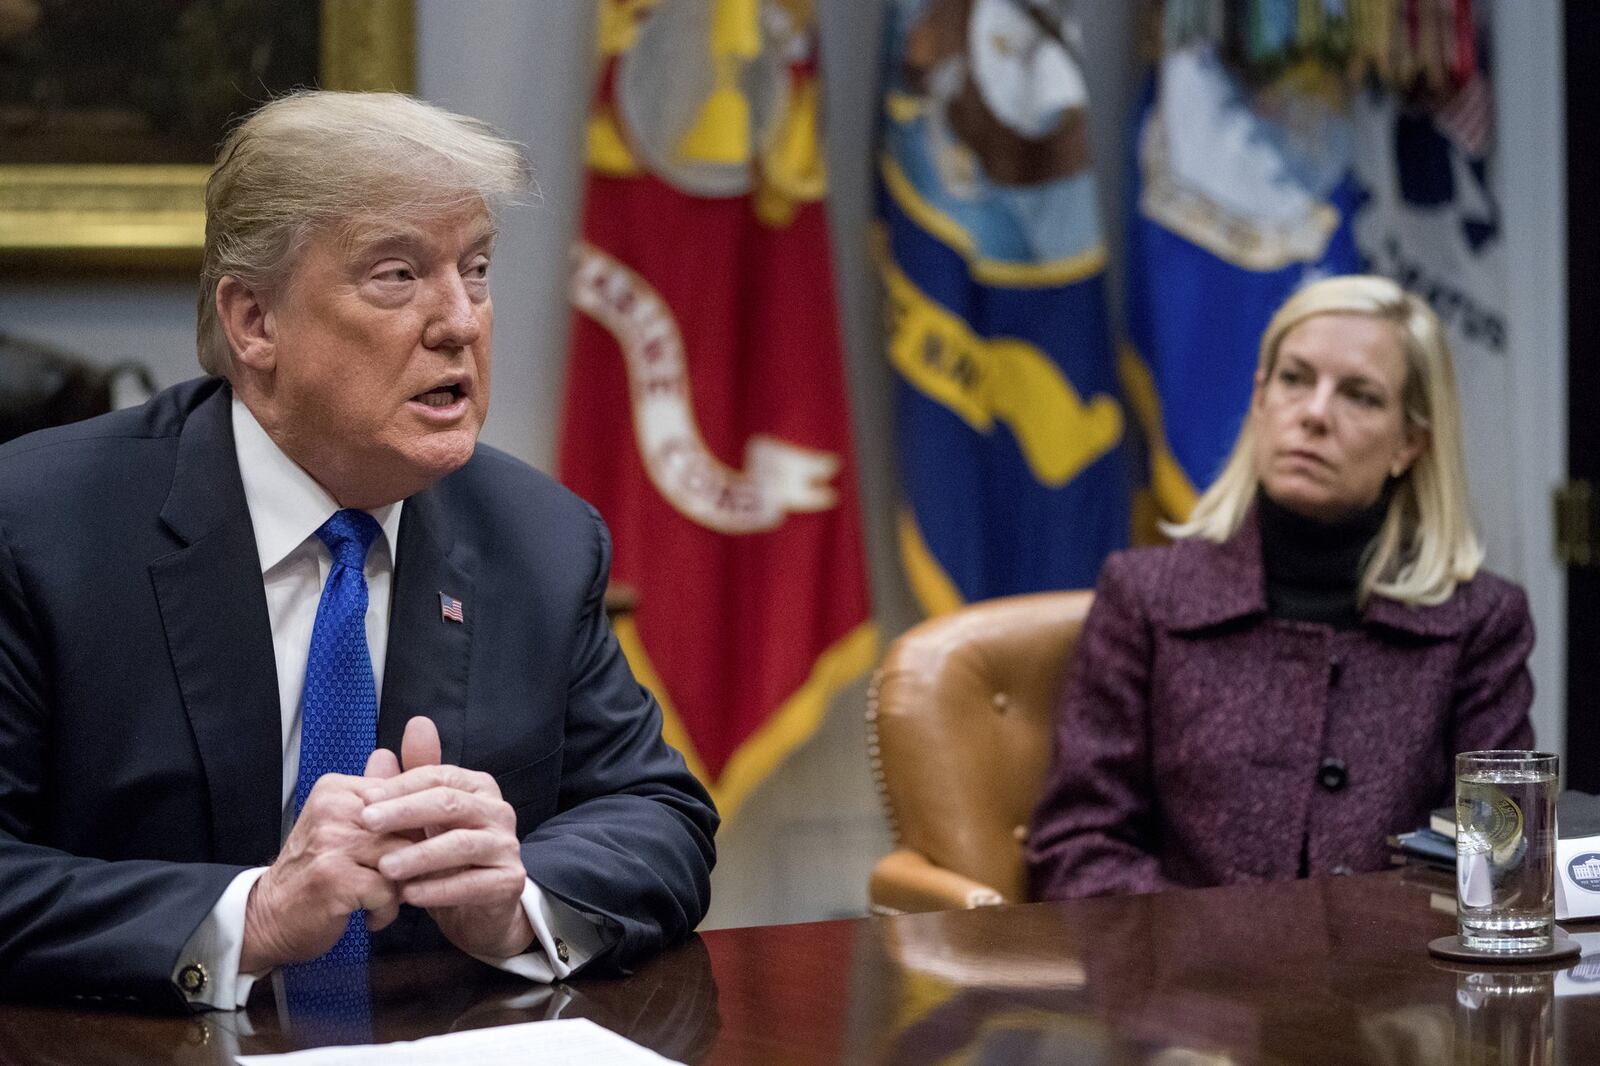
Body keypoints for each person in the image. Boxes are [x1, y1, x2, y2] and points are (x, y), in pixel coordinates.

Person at [0, 91, 717, 1011]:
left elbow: (660, 816)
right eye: (397, 275)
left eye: (478, 270)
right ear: (256, 322)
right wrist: (247, 917)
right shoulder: (40, 529)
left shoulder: (538, 537)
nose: (459, 321)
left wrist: (514, 900)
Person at [1026, 275, 1533, 899]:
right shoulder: (1144, 595)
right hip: (1185, 985)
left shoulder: (1481, 620)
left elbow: (1493, 864)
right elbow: (1076, 850)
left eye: (1360, 396)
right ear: (1261, 400)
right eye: (1295, 379)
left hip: (1400, 991)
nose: (1315, 414)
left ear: (1409, 443)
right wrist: (1226, 959)